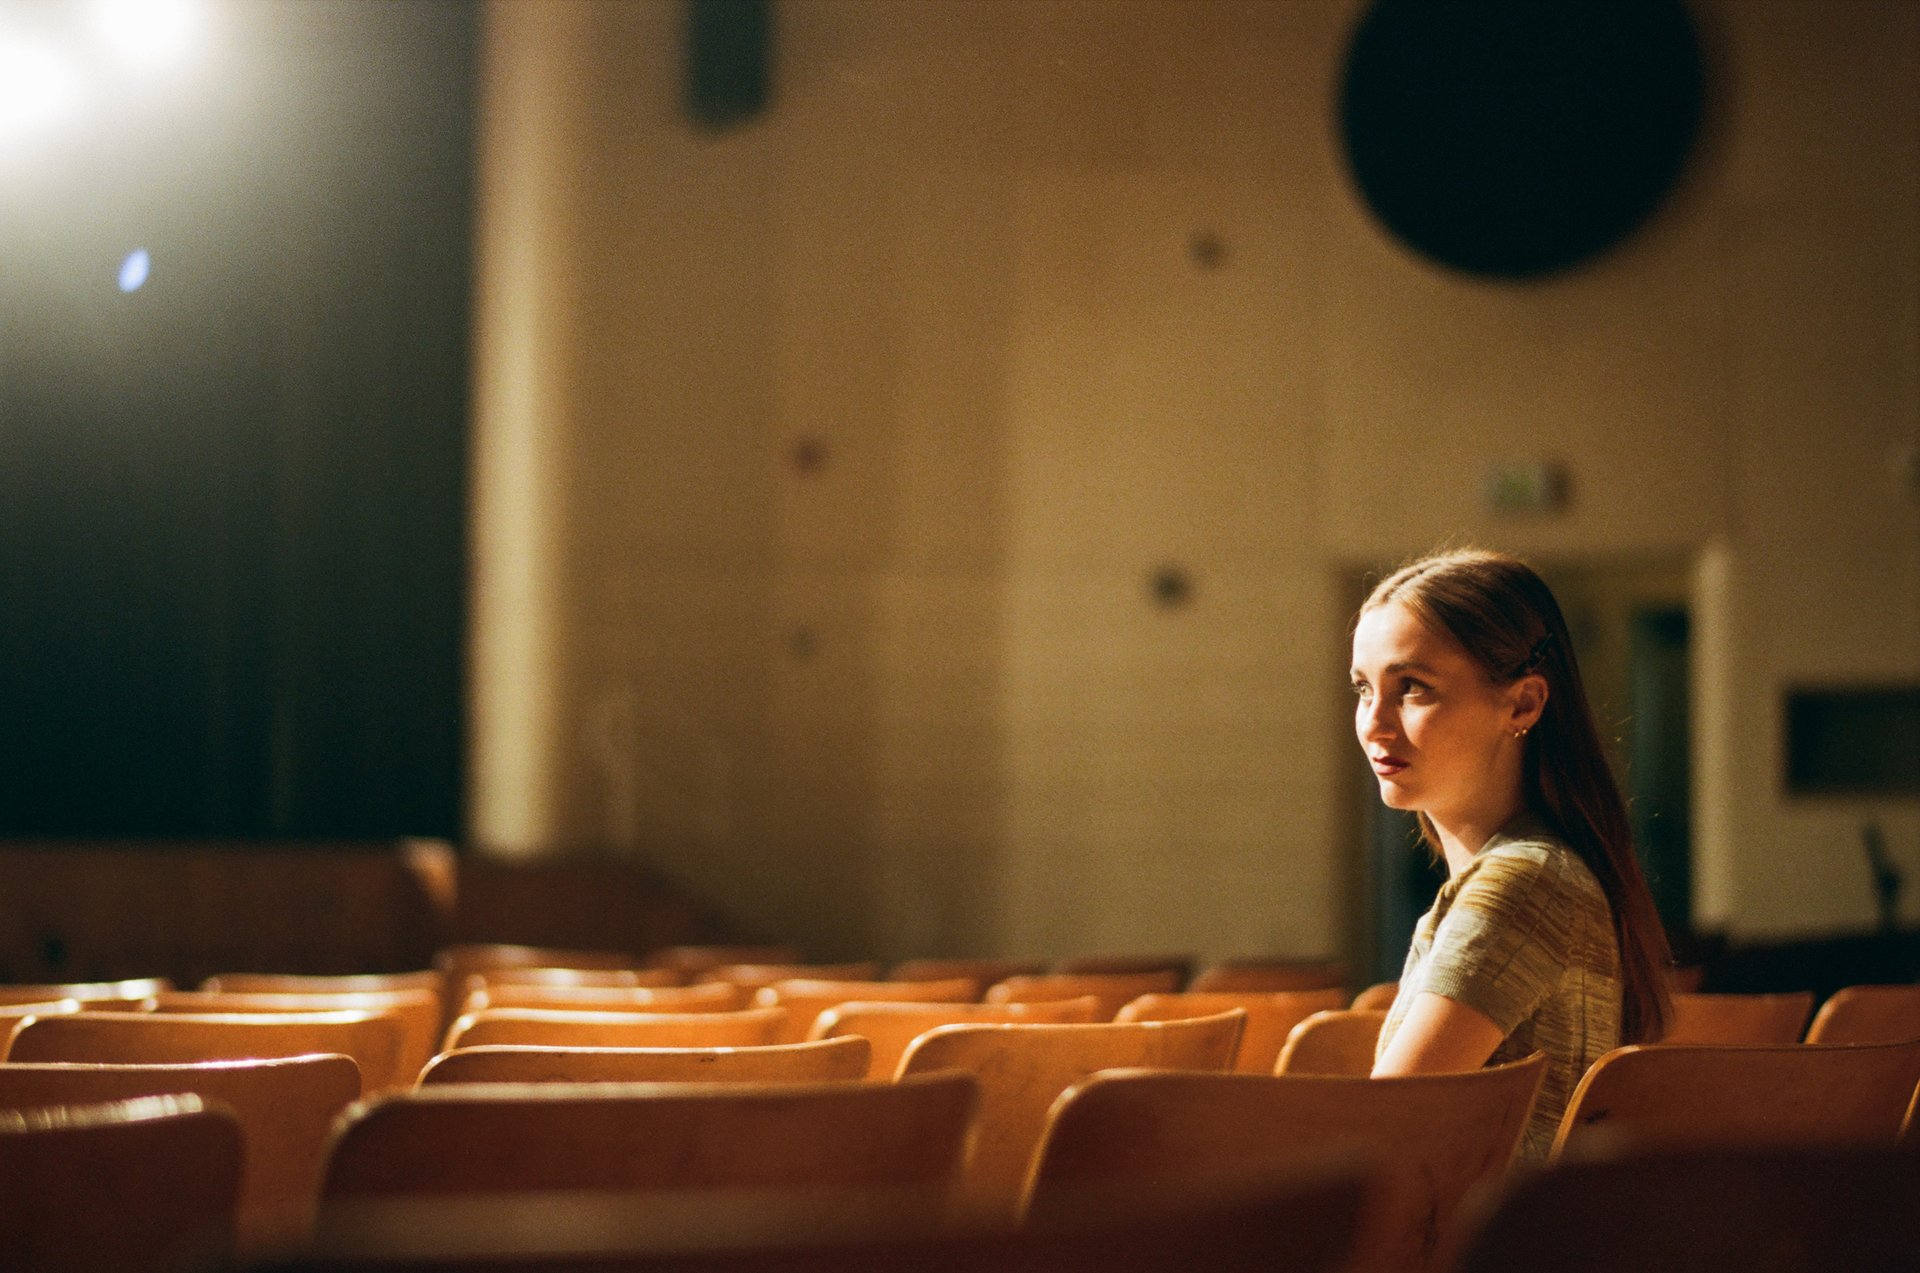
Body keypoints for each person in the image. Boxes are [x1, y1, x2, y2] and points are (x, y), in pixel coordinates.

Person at [1349, 548, 1673, 1161]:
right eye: (1364, 688)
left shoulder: (1526, 881)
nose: (1374, 722)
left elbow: (1383, 1128)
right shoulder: (1529, 873)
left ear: (1522, 703)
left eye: (1412, 688)